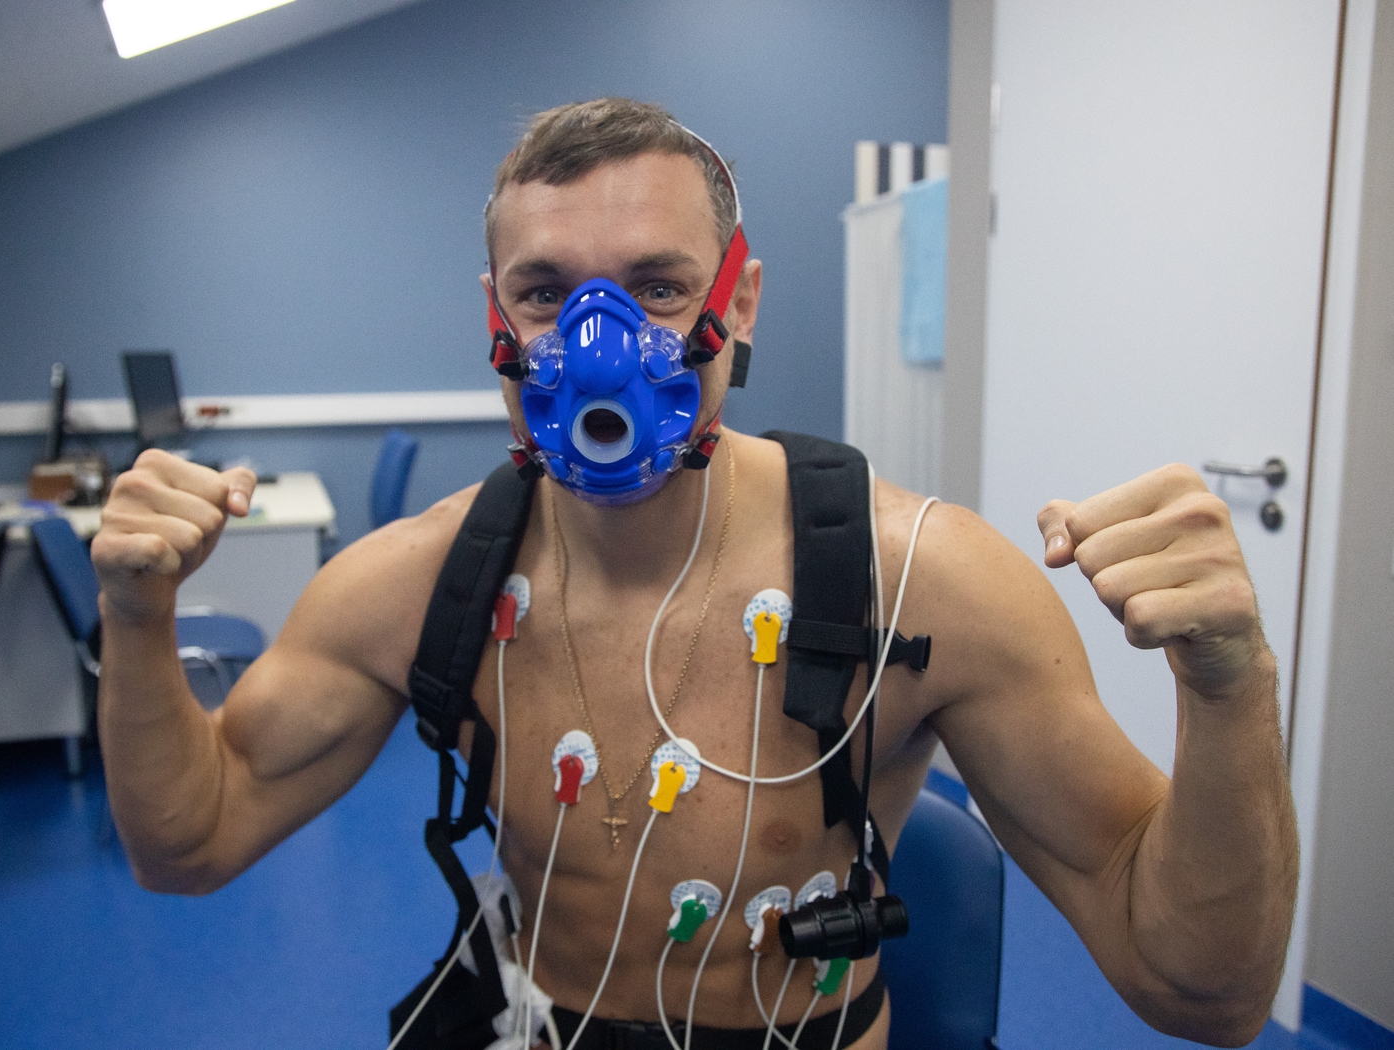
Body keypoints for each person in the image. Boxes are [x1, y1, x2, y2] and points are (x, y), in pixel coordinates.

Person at [91, 99, 1297, 1050]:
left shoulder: (921, 583)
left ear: (741, 301)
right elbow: (188, 843)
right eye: (547, 294)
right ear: (495, 316)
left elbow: (1203, 992)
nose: (598, 350)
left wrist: (1231, 687)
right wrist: (138, 614)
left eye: (658, 289)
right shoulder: (417, 586)